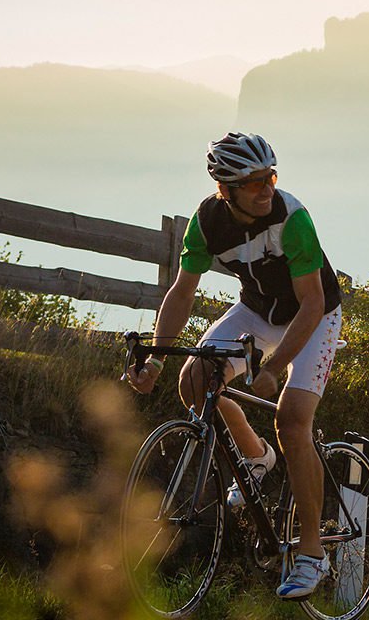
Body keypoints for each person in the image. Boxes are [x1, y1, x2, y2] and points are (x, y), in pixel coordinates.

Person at [126, 132, 344, 600]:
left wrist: (273, 368)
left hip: (315, 316)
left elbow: (311, 304)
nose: (266, 189)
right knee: (196, 381)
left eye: (270, 177)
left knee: (292, 419)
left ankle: (311, 554)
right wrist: (158, 361)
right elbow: (182, 292)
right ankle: (256, 455)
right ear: (226, 190)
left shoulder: (293, 218)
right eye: (253, 183)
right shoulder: (206, 224)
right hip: (257, 312)